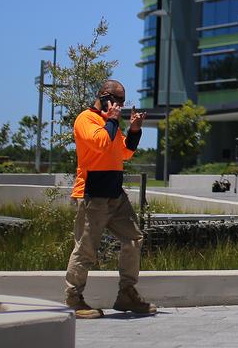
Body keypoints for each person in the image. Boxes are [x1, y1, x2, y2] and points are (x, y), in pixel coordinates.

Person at [64, 80, 157, 319]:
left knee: (134, 238)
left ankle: (126, 294)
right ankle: (74, 298)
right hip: (93, 194)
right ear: (105, 97)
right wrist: (113, 120)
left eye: (123, 102)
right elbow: (100, 144)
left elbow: (123, 152)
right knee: (86, 249)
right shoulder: (86, 119)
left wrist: (134, 129)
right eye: (117, 101)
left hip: (115, 193)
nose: (120, 106)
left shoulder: (108, 123)